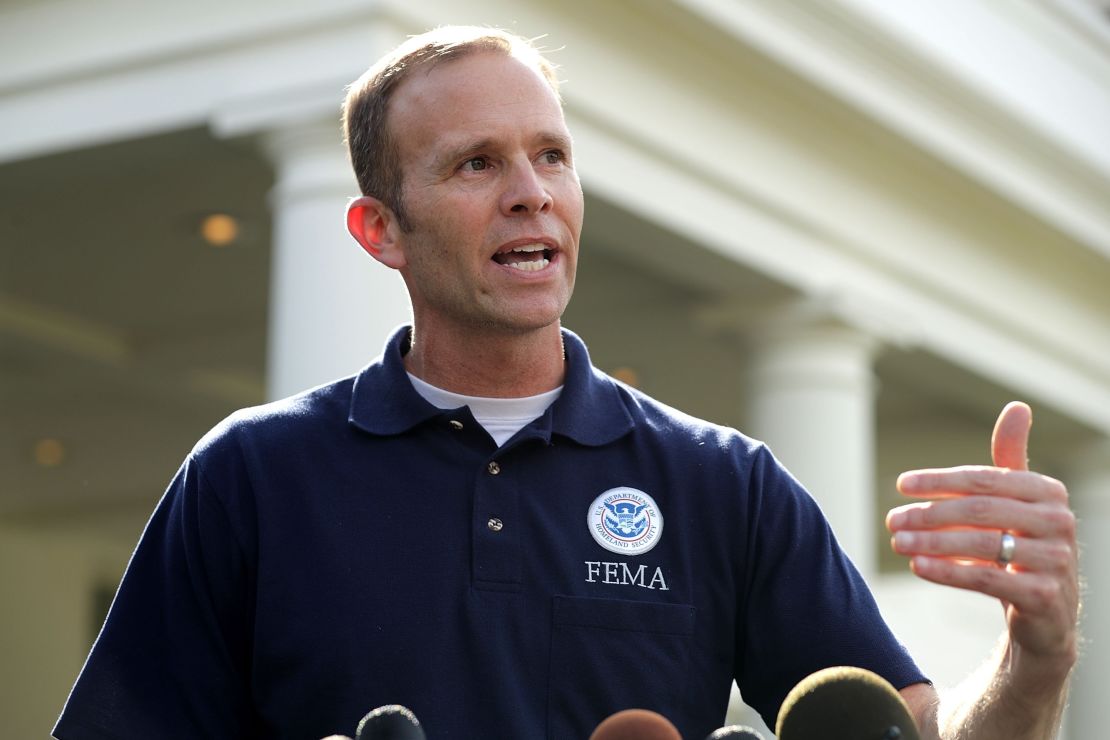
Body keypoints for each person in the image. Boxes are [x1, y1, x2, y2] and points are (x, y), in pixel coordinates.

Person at [53, 26, 1078, 739]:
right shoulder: (253, 474)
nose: (532, 193)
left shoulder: (724, 482)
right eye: (476, 164)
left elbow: (920, 730)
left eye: (552, 154)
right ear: (382, 230)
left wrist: (1036, 656)